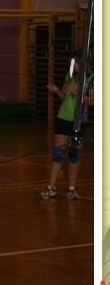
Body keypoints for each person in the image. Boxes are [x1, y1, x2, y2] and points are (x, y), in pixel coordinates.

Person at [40, 58, 93, 200]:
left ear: (83, 64)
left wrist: (77, 92)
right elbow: (64, 96)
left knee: (74, 154)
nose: (72, 66)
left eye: (75, 63)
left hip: (78, 120)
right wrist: (57, 90)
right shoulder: (69, 75)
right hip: (63, 117)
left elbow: (93, 100)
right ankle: (51, 188)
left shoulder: (91, 79)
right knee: (58, 153)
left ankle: (71, 189)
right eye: (72, 63)